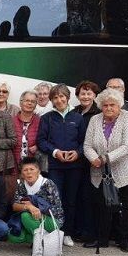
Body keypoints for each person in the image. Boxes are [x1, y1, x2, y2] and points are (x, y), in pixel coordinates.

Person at [83, 88, 128, 252]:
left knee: (123, 204)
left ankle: (124, 240)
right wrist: (93, 158)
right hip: (99, 171)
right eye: (105, 105)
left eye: (112, 105)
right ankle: (102, 239)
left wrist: (104, 158)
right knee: (102, 205)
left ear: (119, 105)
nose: (108, 108)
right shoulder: (95, 119)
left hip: (125, 170)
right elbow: (87, 145)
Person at [37, 83, 85, 247]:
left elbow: (84, 142)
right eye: (55, 97)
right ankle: (55, 230)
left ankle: (68, 233)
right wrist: (55, 152)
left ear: (67, 97)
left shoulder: (78, 118)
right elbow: (41, 141)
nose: (59, 100)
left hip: (74, 166)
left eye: (61, 96)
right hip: (55, 166)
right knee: (55, 200)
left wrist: (77, 153)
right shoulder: (47, 118)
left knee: (71, 200)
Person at [7, 156, 64, 244]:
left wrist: (38, 210)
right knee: (14, 237)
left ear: (38, 171)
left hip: (51, 219)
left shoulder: (48, 184)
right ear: (21, 173)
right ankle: (38, 239)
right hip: (31, 219)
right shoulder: (22, 185)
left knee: (25, 216)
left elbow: (57, 209)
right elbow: (15, 206)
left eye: (32, 169)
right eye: (25, 170)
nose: (29, 172)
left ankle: (42, 243)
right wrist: (29, 207)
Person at [72, 80, 101, 242]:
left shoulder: (98, 113)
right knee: (78, 196)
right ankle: (78, 230)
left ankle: (90, 232)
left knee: (89, 197)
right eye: (82, 93)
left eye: (89, 93)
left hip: (93, 161)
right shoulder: (74, 112)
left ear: (95, 95)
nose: (85, 96)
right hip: (76, 161)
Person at [12, 90, 46, 172]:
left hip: (34, 166)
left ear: (35, 105)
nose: (29, 103)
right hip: (14, 165)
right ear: (21, 103)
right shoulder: (11, 121)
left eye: (33, 101)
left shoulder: (41, 121)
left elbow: (47, 139)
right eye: (27, 100)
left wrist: (38, 146)